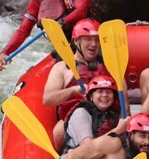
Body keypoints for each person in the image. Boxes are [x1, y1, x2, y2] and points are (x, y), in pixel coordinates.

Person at [42, 19, 111, 148]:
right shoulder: (62, 67)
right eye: (88, 39)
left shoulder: (109, 66)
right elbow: (47, 99)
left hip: (106, 119)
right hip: (75, 120)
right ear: (76, 41)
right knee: (59, 129)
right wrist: (73, 91)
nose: (93, 44)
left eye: (96, 40)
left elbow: (123, 102)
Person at [60, 74, 121, 153]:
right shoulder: (81, 113)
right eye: (100, 91)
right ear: (91, 96)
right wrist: (117, 130)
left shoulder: (111, 113)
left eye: (109, 92)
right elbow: (88, 148)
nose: (105, 95)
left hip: (102, 157)